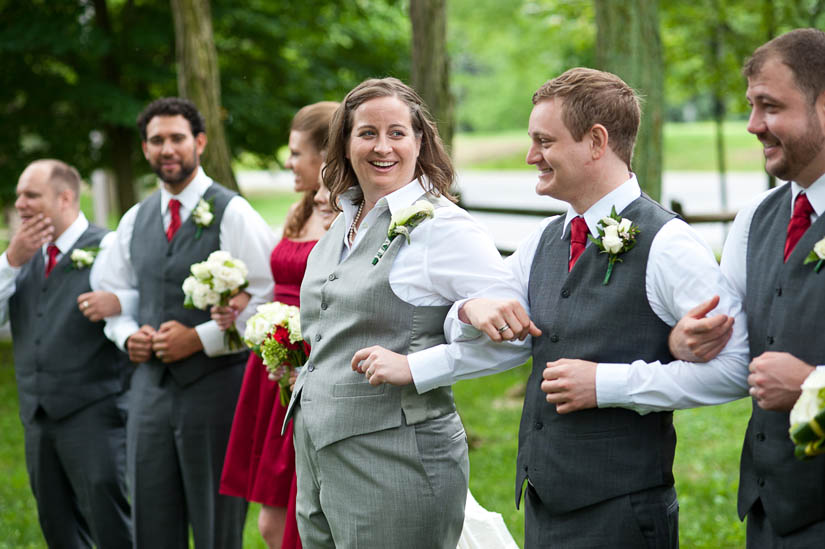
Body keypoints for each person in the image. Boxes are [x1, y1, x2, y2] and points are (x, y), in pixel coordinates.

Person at [371, 68, 753, 548]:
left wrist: (607, 385)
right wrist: (467, 313)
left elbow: (738, 368)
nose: (532, 156)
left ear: (596, 142)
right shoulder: (548, 238)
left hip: (621, 512)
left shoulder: (669, 244)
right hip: (544, 502)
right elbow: (490, 326)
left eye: (544, 141)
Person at [284, 77, 518, 549]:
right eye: (367, 133)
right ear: (345, 144)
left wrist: (416, 366)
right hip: (317, 458)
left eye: (397, 132)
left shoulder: (444, 227)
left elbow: (517, 336)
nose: (382, 146)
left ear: (419, 141)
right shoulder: (341, 221)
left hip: (398, 461)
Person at [670, 28, 825, 546]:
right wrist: (684, 340)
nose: (753, 125)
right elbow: (727, 347)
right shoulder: (758, 218)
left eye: (770, 106)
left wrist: (811, 390)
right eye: (751, 106)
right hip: (770, 511)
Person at [98, 97, 275, 549]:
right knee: (151, 524)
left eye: (177, 138)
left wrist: (202, 338)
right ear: (145, 149)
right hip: (149, 395)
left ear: (199, 142)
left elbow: (268, 296)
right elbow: (117, 293)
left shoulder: (232, 212)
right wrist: (125, 336)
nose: (167, 149)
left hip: (216, 393)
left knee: (217, 527)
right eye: (157, 141)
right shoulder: (135, 219)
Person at [214, 100, 338, 549]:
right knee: (271, 521)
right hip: (273, 369)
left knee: (291, 523)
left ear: (325, 156)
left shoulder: (339, 215)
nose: (288, 162)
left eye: (295, 152)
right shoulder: (301, 211)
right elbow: (279, 285)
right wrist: (244, 310)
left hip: (309, 366)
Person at [0, 159, 132, 548]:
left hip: (96, 412)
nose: (20, 203)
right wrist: (11, 261)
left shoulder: (107, 246)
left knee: (112, 524)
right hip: (38, 416)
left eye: (31, 195)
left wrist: (120, 301)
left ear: (65, 197)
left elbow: (140, 305)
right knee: (56, 525)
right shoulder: (21, 257)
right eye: (19, 194)